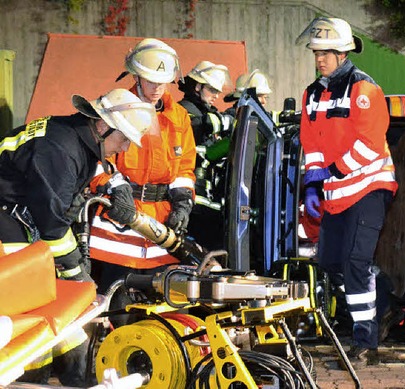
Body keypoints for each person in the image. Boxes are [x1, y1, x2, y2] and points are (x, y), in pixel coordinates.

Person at [0, 88, 155, 386]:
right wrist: (79, 277)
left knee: (58, 316)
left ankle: (70, 378)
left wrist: (114, 183)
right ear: (103, 125)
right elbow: (53, 228)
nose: (123, 148)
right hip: (8, 226)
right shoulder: (59, 150)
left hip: (21, 220)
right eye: (123, 138)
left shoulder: (72, 138)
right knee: (31, 314)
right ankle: (36, 380)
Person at [295, 17, 398, 367]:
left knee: (356, 263)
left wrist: (331, 172)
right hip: (337, 192)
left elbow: (370, 145)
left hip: (369, 187)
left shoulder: (364, 90)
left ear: (343, 53)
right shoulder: (312, 93)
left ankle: (365, 344)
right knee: (329, 264)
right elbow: (311, 144)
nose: (320, 59)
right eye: (316, 53)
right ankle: (371, 312)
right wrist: (313, 181)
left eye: (326, 53)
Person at [89, 38, 197, 318]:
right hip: (119, 220)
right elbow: (98, 158)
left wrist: (183, 201)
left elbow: (184, 168)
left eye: (163, 82)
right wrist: (115, 188)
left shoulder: (179, 117)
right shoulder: (114, 108)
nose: (157, 89)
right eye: (150, 81)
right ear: (136, 76)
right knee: (114, 303)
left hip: (160, 222)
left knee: (163, 302)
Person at [178, 61, 233, 250]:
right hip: (190, 199)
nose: (216, 95)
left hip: (204, 197)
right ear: (197, 86)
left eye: (217, 91)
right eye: (211, 90)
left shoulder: (205, 111)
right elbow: (207, 125)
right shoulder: (185, 111)